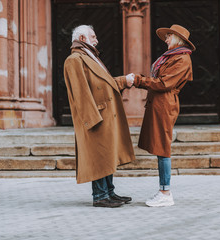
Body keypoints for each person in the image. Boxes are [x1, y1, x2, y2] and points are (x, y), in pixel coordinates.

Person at [63, 25, 136, 208]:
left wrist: (123, 81)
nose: (97, 40)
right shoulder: (74, 60)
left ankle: (109, 192)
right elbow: (80, 93)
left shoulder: (90, 57)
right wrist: (91, 120)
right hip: (95, 116)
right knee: (99, 157)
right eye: (93, 37)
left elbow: (105, 83)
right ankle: (100, 196)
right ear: (82, 37)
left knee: (107, 155)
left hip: (105, 115)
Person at [133, 24, 195, 207]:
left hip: (165, 105)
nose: (166, 40)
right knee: (161, 148)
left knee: (163, 149)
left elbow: (164, 83)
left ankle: (165, 193)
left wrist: (137, 80)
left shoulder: (182, 59)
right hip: (159, 104)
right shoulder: (171, 57)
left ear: (177, 39)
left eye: (169, 36)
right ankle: (163, 191)